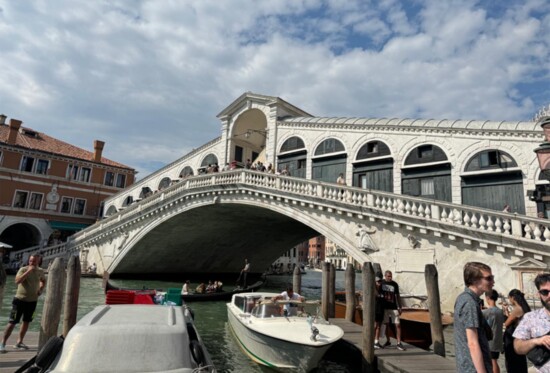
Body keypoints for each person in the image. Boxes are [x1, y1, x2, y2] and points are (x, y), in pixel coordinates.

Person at [1, 254, 46, 353]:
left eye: (34, 261)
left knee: (26, 322)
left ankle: (19, 342)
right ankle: (2, 343)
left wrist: (41, 289)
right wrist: (29, 271)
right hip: (19, 300)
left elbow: (43, 280)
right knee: (12, 322)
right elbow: (17, 281)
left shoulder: (40, 271)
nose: (32, 263)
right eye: (30, 261)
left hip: (32, 301)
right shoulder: (23, 269)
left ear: (38, 261)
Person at [454, 262, 494, 373]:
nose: (493, 282)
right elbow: (472, 343)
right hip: (473, 369)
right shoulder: (470, 303)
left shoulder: (463, 298)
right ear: (474, 280)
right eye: (489, 278)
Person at [513, 273, 550, 372]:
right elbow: (517, 347)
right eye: (545, 292)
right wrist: (537, 341)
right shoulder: (531, 318)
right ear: (539, 294)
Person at [502, 289, 531, 372]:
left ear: (513, 298)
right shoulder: (524, 307)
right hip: (520, 338)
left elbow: (507, 323)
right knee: (520, 361)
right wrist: (506, 310)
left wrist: (505, 312)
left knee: (512, 363)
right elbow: (512, 319)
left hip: (513, 338)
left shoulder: (517, 309)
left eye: (509, 298)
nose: (509, 300)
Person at [380, 270, 405, 351]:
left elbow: (398, 296)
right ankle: (388, 341)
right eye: (388, 276)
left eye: (391, 276)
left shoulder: (395, 284)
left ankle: (399, 343)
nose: (390, 278)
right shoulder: (382, 283)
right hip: (385, 307)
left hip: (394, 307)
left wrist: (400, 307)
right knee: (386, 324)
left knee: (397, 324)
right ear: (385, 276)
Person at [482, 290, 505, 373]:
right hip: (498, 340)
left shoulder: (485, 312)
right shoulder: (500, 312)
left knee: (492, 362)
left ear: (487, 298)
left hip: (490, 341)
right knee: (495, 361)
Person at [373, 273, 386, 349]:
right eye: (378, 281)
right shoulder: (373, 290)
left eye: (380, 281)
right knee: (375, 326)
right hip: (375, 309)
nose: (379, 283)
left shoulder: (382, 290)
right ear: (375, 281)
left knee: (379, 326)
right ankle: (371, 340)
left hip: (381, 309)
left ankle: (376, 341)